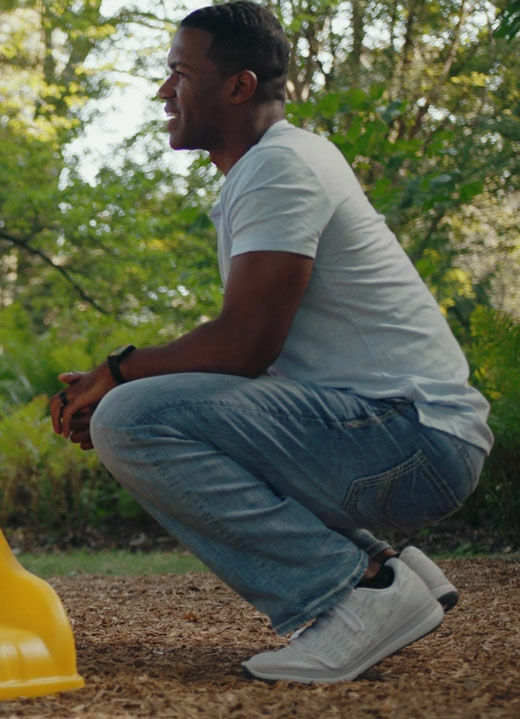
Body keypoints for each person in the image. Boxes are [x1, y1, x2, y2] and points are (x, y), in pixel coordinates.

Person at [50, 2, 490, 684]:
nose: (163, 92)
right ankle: (387, 572)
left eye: (178, 73)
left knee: (134, 418)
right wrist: (130, 384)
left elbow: (245, 343)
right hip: (399, 430)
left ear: (239, 86)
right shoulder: (273, 166)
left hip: (413, 437)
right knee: (135, 411)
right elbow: (249, 357)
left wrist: (122, 374)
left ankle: (355, 592)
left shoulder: (281, 168)